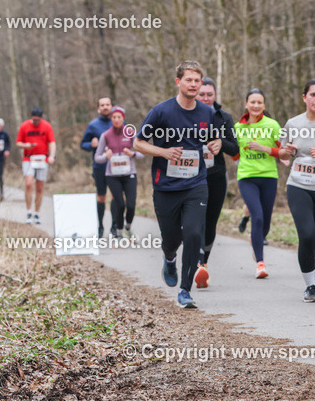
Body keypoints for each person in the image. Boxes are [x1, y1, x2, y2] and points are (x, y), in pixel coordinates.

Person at [133, 61, 215, 309]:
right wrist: (164, 151)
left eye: (197, 80)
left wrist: (216, 145)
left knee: (193, 233)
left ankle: (185, 290)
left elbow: (213, 139)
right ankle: (169, 258)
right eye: (188, 80)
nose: (193, 84)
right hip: (166, 186)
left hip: (196, 184)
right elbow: (138, 143)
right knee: (171, 239)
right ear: (178, 82)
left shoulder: (207, 113)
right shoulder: (161, 111)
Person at [281, 78, 315, 302]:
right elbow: (283, 156)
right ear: (304, 97)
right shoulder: (293, 124)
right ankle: (310, 286)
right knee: (306, 235)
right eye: (313, 95)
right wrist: (288, 151)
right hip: (298, 184)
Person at [233, 88, 288, 279]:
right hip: (247, 176)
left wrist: (265, 149)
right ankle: (260, 263)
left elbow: (284, 152)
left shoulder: (272, 125)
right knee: (256, 217)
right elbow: (234, 152)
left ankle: (256, 238)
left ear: (264, 106)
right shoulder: (238, 127)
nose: (256, 106)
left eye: (259, 103)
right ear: (246, 104)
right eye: (252, 102)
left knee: (265, 222)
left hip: (269, 176)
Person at [193, 78, 239, 289]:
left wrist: (221, 143)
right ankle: (194, 262)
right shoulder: (186, 116)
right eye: (201, 94)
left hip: (216, 175)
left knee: (210, 222)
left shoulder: (223, 117)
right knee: (194, 222)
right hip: (190, 176)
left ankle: (203, 265)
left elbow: (235, 148)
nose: (205, 98)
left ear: (214, 96)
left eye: (209, 94)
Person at [94, 106, 144, 239]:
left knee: (131, 205)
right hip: (112, 175)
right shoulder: (105, 135)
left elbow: (142, 153)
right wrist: (106, 156)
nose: (116, 120)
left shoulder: (130, 133)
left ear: (123, 118)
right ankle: (120, 231)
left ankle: (128, 226)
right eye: (114, 117)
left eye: (119, 117)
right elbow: (97, 158)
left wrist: (132, 153)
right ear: (111, 119)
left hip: (129, 174)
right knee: (120, 204)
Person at [16, 108, 56, 224]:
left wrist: (52, 155)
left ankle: (37, 213)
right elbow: (18, 142)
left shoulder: (47, 126)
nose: (36, 122)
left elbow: (52, 142)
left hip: (43, 158)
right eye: (34, 119)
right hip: (28, 158)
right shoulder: (24, 126)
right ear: (31, 117)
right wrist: (26, 145)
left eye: (38, 120)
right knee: (28, 183)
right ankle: (29, 211)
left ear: (41, 118)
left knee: (39, 186)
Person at [81, 97, 114, 237]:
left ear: (112, 106)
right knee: (101, 196)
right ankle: (100, 226)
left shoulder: (118, 122)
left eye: (107, 104)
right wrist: (91, 145)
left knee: (116, 197)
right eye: (102, 105)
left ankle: (115, 227)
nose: (105, 107)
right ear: (98, 108)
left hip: (116, 167)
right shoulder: (93, 125)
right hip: (100, 166)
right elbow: (83, 144)